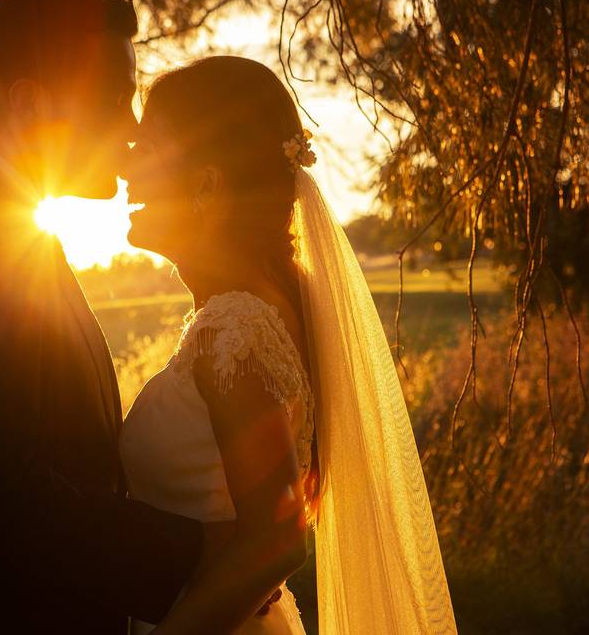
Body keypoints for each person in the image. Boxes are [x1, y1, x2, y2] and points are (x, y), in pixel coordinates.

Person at [0, 0, 295, 633]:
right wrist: (201, 553)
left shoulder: (9, 235)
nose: (130, 130)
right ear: (29, 104)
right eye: (116, 99)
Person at [120, 56, 458, 634]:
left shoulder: (237, 329)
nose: (127, 166)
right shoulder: (257, 311)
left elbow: (276, 542)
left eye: (147, 147)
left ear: (206, 181)